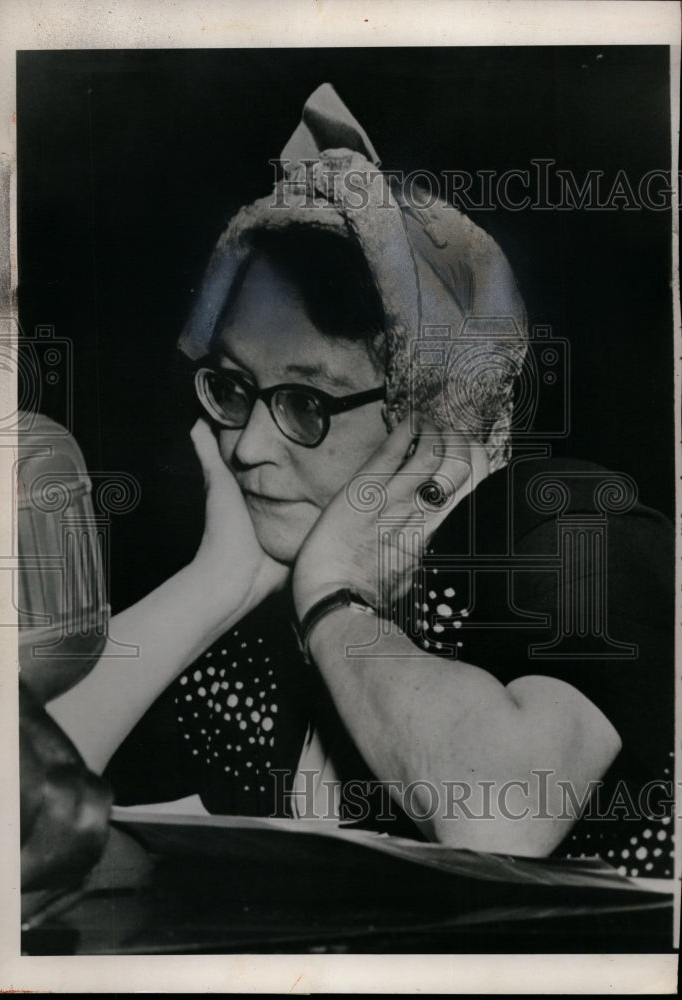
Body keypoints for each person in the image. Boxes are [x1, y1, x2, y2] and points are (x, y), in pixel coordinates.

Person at [47, 84, 674, 871]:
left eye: (306, 401)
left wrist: (335, 596)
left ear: (428, 413)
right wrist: (219, 581)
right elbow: (22, 802)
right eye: (233, 388)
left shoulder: (577, 534)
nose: (243, 450)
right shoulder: (253, 639)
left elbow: (500, 820)